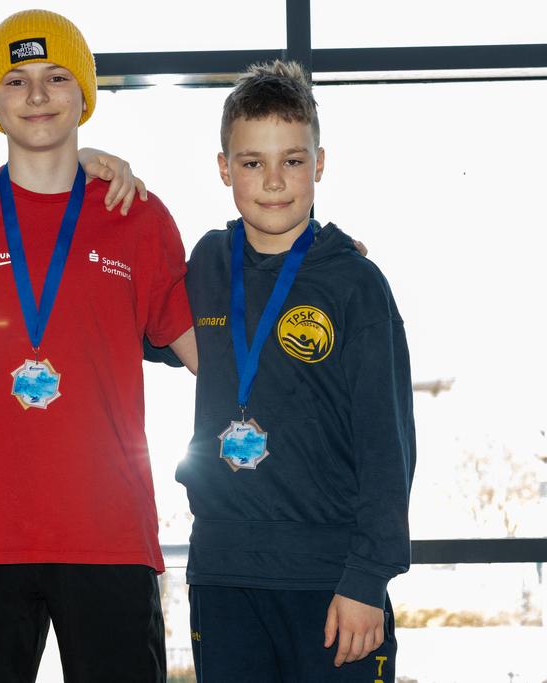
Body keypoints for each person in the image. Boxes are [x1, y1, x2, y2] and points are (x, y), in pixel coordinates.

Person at [0, 10, 196, 682]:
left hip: (110, 538)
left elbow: (211, 350)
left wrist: (308, 270)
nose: (37, 94)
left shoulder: (136, 216)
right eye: (16, 79)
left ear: (83, 92)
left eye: (57, 77)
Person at [173, 60, 415, 682]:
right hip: (224, 577)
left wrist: (368, 577)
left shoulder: (355, 285)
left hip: (331, 581)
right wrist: (89, 165)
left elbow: (387, 446)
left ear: (320, 163)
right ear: (224, 168)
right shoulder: (208, 263)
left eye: (293, 160)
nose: (274, 181)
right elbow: (130, 306)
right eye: (253, 162)